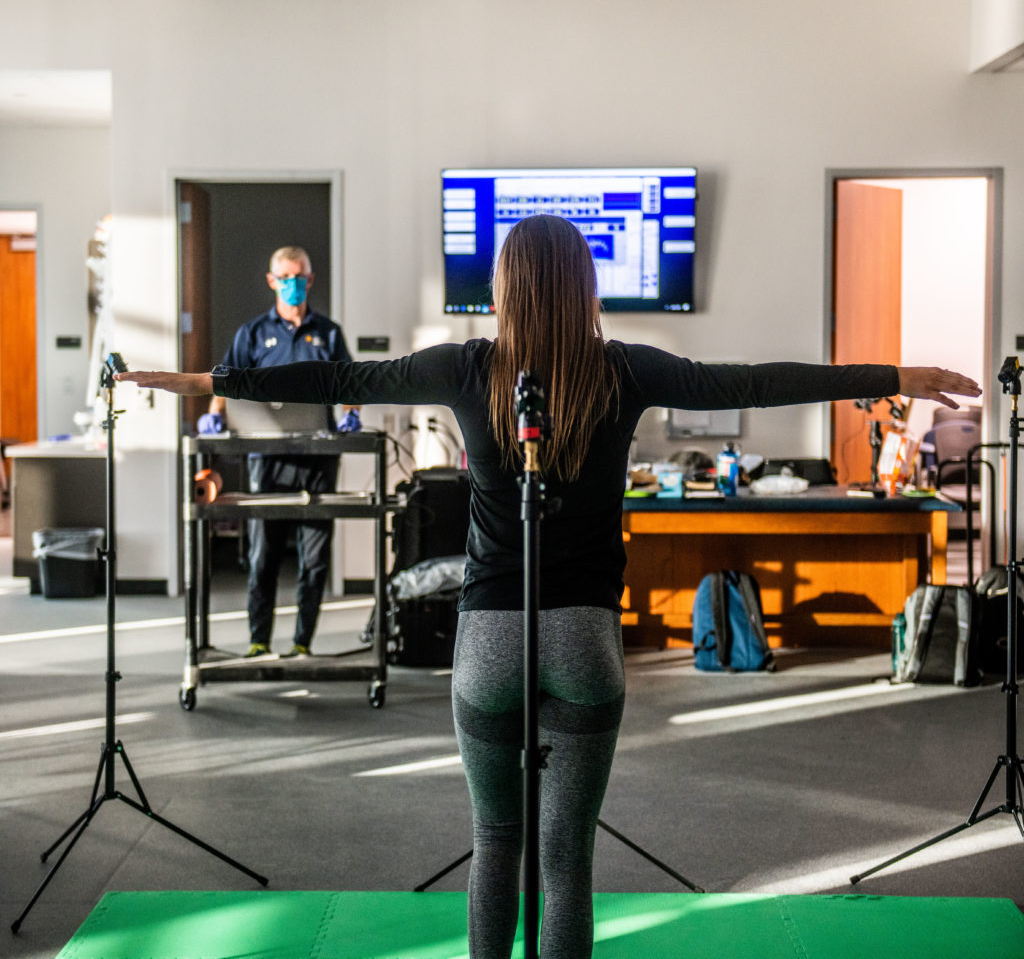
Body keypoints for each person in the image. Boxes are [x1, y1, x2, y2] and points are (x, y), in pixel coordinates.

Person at [119, 214, 980, 959]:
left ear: (505, 287)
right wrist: (895, 378)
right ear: (584, 286)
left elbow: (340, 380)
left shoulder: (467, 368)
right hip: (587, 645)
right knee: (565, 854)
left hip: (489, 642)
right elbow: (753, 381)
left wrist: (207, 381)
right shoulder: (627, 369)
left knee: (497, 840)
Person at [201, 246, 353, 659]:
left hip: (318, 461)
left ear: (310, 278)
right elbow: (223, 383)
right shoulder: (251, 334)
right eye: (284, 276)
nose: (292, 283)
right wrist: (214, 415)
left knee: (315, 559)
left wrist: (351, 414)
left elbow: (352, 386)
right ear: (271, 280)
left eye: (298, 275)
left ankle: (303, 643)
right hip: (266, 461)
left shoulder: (330, 333)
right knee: (263, 555)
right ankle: (258, 641)